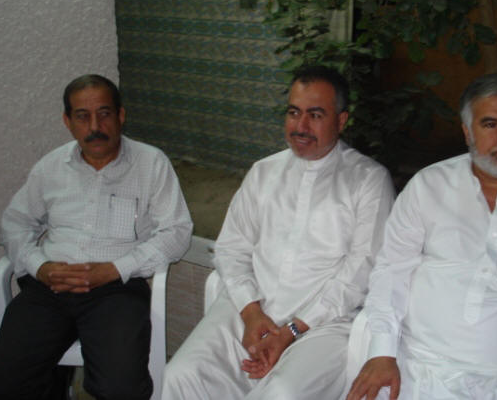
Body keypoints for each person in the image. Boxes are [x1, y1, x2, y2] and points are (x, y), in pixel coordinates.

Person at [162, 66, 396, 400]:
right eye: (294, 113)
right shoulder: (264, 172)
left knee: (281, 395)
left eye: (315, 115)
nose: (301, 126)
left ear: (341, 120)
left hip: (322, 325)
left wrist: (291, 331)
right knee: (180, 377)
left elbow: (360, 273)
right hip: (251, 309)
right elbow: (231, 248)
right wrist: (251, 312)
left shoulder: (368, 181)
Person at [347, 73, 497, 400]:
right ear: (468, 131)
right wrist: (382, 353)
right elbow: (391, 271)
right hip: (415, 367)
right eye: (490, 124)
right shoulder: (428, 185)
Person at [0, 74, 193, 400]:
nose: (95, 126)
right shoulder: (51, 167)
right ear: (68, 121)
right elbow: (14, 223)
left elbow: (177, 231)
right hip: (49, 288)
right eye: (83, 116)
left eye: (104, 113)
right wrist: (40, 266)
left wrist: (113, 269)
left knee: (120, 388)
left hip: (116, 290)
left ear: (121, 115)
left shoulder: (151, 163)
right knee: (4, 383)